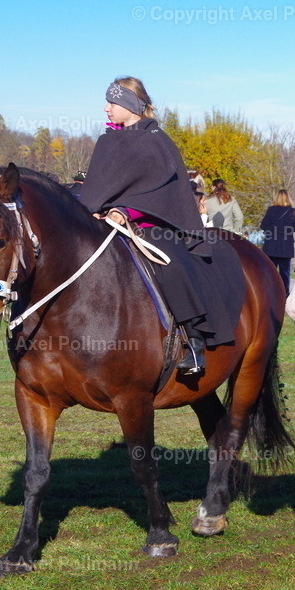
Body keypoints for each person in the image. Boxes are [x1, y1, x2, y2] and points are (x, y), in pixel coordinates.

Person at [78, 76, 246, 375]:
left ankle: (194, 343)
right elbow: (98, 188)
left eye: (112, 102)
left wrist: (126, 211)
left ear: (130, 104)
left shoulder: (157, 141)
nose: (106, 108)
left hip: (153, 225)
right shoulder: (107, 141)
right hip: (107, 225)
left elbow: (159, 191)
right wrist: (91, 210)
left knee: (172, 266)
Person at [259, 189, 295, 296]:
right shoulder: (292, 212)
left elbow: (263, 225)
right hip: (286, 247)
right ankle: (284, 294)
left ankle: (268, 293)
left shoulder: (271, 210)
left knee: (270, 272)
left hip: (271, 246)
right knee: (285, 273)